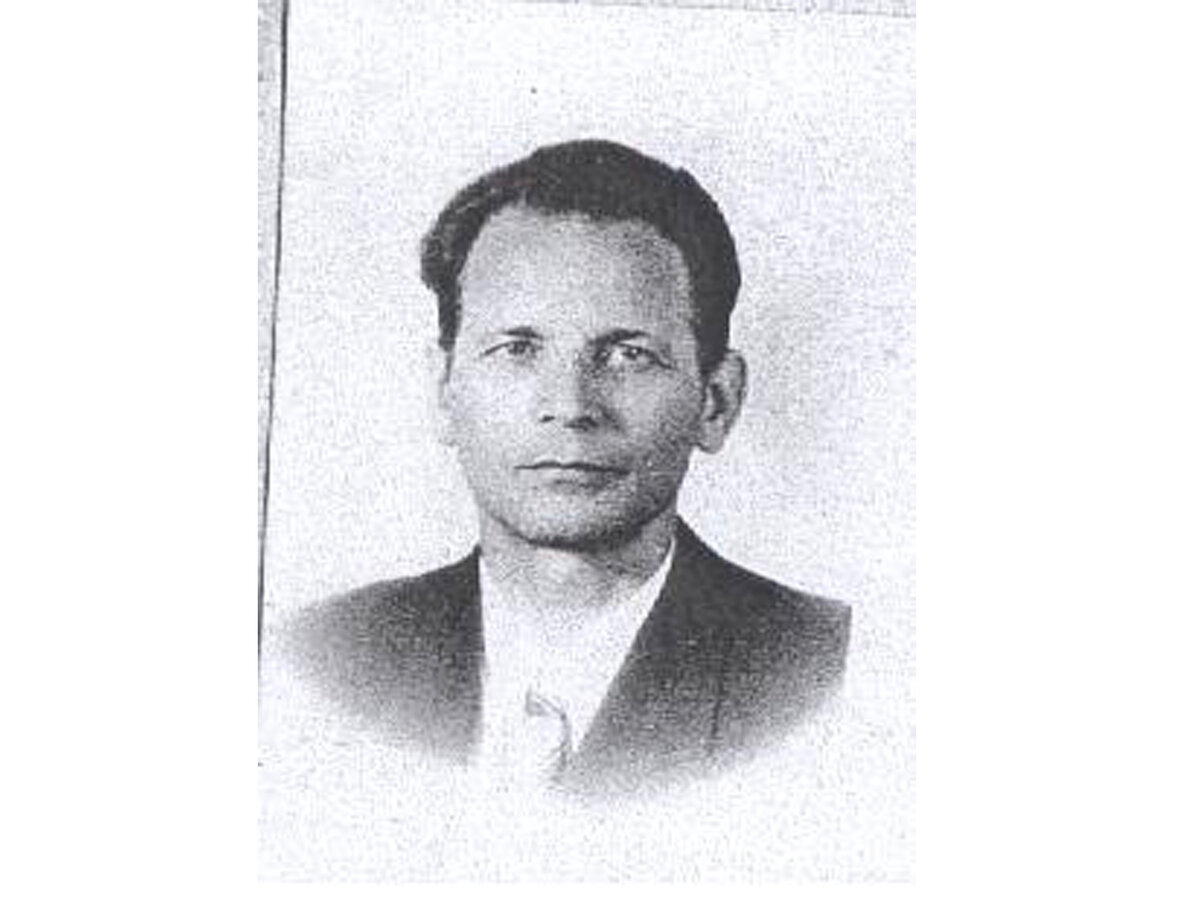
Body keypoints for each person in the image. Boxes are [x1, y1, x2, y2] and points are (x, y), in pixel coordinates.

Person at [280, 139, 850, 794]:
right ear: (443, 390)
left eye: (629, 354)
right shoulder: (322, 657)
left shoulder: (833, 674)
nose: (572, 407)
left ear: (715, 402)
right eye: (517, 348)